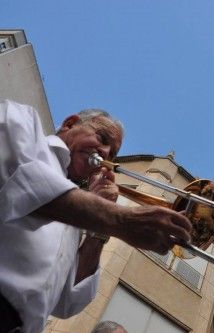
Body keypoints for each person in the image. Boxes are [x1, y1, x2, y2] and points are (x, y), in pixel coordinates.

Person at [0, 100, 192, 333]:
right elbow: (16, 183)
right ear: (70, 124)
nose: (106, 153)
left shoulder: (77, 222)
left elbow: (66, 304)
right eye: (102, 139)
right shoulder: (22, 121)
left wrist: (100, 227)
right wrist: (119, 219)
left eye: (112, 152)